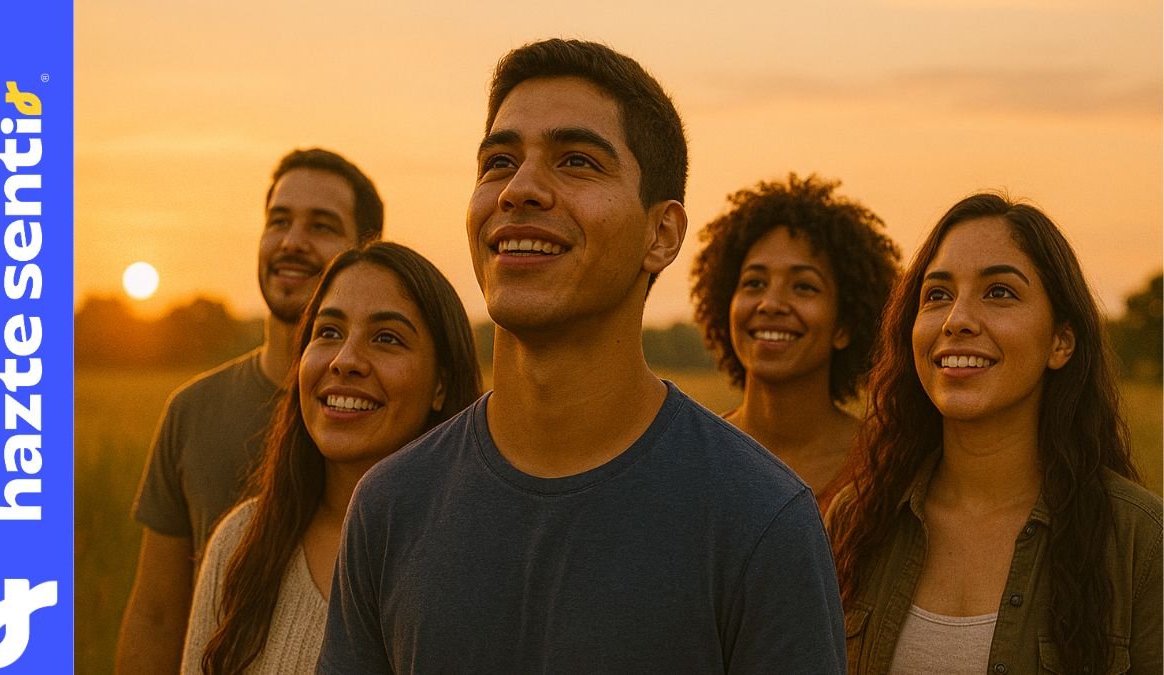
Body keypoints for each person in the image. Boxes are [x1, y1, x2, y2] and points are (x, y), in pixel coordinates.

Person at [319, 38, 846, 673]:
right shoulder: (390, 508)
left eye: (575, 161)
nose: (519, 190)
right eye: (498, 162)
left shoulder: (761, 521)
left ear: (662, 234)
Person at [825, 193, 1162, 673]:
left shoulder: (1140, 542)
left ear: (1061, 341)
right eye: (937, 294)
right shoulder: (857, 522)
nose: (957, 319)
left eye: (999, 292)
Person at [115, 148, 384, 674]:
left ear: (364, 253)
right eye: (278, 221)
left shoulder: (388, 412)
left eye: (321, 225)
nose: (291, 242)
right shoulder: (191, 412)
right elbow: (157, 616)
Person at [181, 242, 482, 674]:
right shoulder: (239, 543)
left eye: (386, 338)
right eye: (328, 332)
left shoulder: (474, 556)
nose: (345, 361)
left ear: (440, 384)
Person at [691, 174, 900, 511]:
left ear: (844, 325)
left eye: (803, 287)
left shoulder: (887, 467)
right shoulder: (690, 458)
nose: (770, 303)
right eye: (754, 283)